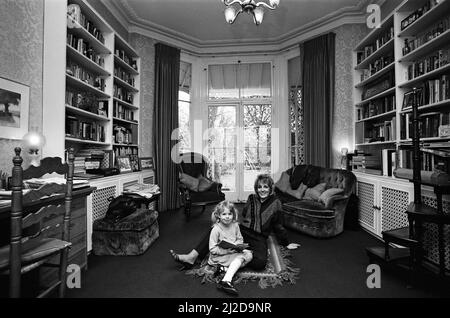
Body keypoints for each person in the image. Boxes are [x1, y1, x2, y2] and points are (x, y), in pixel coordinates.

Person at [170, 174, 300, 271]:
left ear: (271, 188)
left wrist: (286, 243)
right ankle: (191, 257)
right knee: (215, 228)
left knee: (260, 263)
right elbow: (243, 215)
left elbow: (278, 225)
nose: (262, 190)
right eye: (259, 187)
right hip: (243, 231)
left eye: (265, 187)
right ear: (256, 188)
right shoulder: (251, 198)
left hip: (260, 237)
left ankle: (233, 253)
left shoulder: (276, 202)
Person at [208, 200, 252, 295]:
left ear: (233, 215)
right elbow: (212, 249)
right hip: (219, 257)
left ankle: (224, 269)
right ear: (219, 215)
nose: (227, 217)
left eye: (230, 214)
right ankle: (226, 280)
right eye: (224, 214)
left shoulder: (235, 225)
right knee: (241, 258)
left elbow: (240, 239)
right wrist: (227, 251)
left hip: (232, 252)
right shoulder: (216, 229)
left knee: (249, 254)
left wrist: (237, 245)